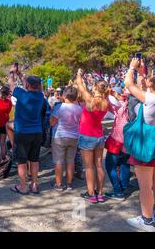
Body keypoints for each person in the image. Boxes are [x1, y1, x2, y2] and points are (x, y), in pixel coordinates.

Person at [124, 58, 155, 232]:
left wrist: (131, 67)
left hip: (145, 146)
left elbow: (128, 83)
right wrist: (143, 73)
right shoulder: (150, 96)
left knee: (145, 187)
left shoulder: (149, 99)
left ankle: (147, 220)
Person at [8, 69, 45, 195]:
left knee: (22, 162)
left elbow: (11, 83)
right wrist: (20, 75)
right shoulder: (40, 96)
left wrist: (11, 72)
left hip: (23, 132)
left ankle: (23, 186)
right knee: (34, 160)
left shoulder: (22, 94)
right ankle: (34, 185)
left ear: (27, 85)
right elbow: (29, 84)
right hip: (37, 132)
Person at [76, 69, 109, 204]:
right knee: (99, 165)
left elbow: (79, 84)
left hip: (87, 136)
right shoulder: (105, 102)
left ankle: (91, 194)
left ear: (95, 87)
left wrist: (79, 74)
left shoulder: (89, 99)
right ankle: (100, 193)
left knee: (89, 166)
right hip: (99, 136)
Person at [49, 86, 82, 191]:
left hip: (59, 136)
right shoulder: (79, 108)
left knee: (58, 161)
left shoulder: (60, 107)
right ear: (76, 97)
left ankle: (58, 184)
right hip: (74, 136)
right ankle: (69, 183)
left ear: (63, 96)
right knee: (70, 160)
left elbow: (52, 122)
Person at [104, 89, 130, 200]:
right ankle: (123, 186)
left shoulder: (121, 109)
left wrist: (108, 94)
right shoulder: (137, 109)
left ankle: (118, 192)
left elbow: (109, 104)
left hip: (117, 141)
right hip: (129, 143)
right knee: (125, 164)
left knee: (110, 165)